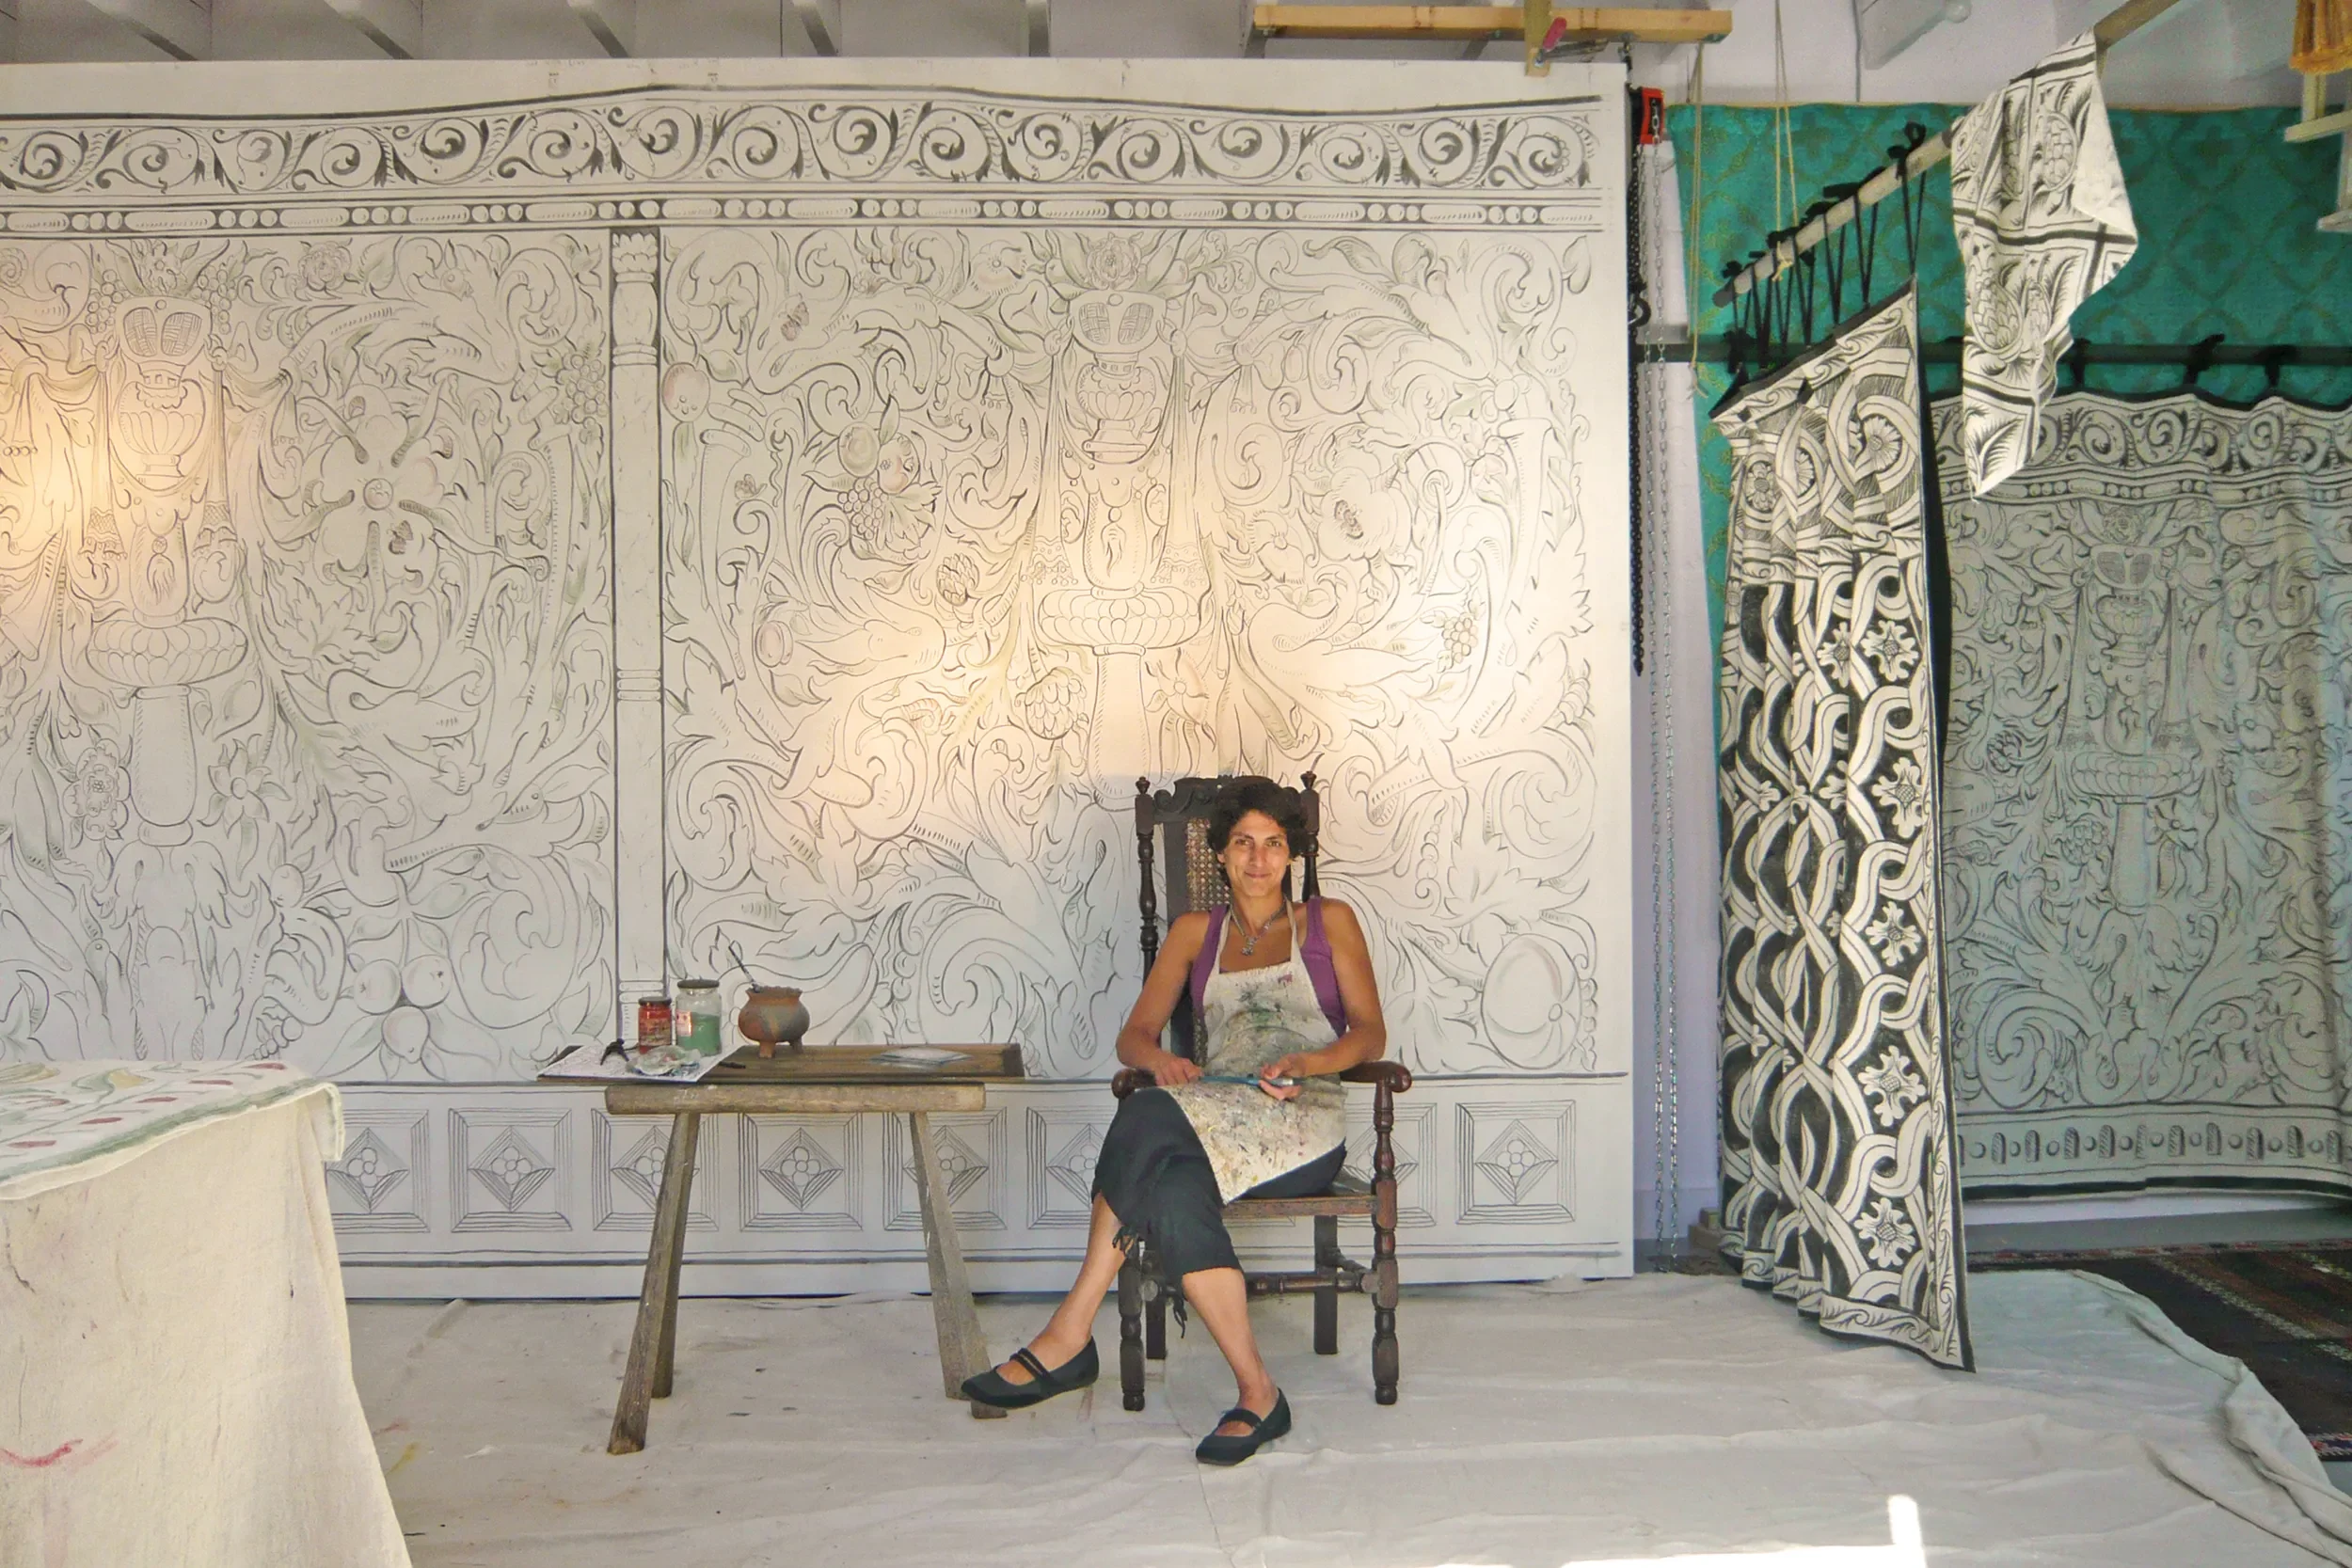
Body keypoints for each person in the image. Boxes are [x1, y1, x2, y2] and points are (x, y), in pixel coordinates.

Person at [961, 780, 1388, 1465]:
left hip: (1301, 1120)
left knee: (1150, 1122)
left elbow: (1370, 1034)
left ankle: (1069, 1334)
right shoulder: (1197, 933)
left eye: (1274, 843)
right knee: (1170, 1179)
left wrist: (1310, 1061)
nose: (1258, 858)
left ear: (1290, 853)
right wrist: (1161, 1061)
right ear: (1219, 853)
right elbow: (1134, 1037)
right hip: (1213, 1107)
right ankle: (1258, 1393)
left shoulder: (1328, 919)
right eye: (1243, 843)